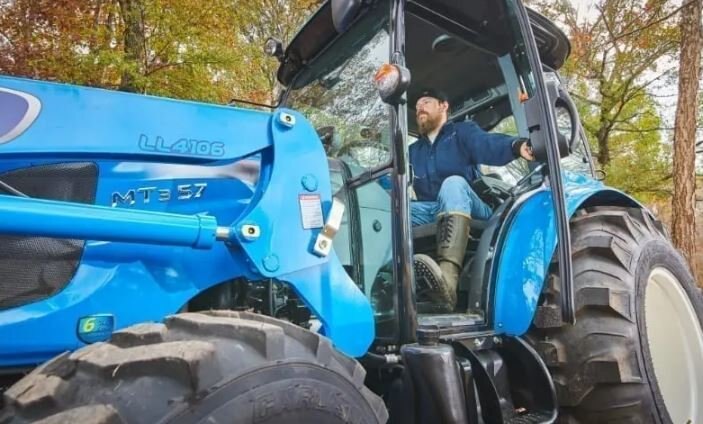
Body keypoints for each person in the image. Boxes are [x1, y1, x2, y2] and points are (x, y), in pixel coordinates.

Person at [410, 88, 534, 312]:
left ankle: (447, 282)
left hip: (471, 205)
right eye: (417, 106)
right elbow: (392, 178)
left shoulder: (461, 132)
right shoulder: (413, 151)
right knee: (396, 209)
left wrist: (515, 146)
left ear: (443, 106)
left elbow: (486, 144)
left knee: (453, 184)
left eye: (426, 102)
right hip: (433, 210)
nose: (420, 108)